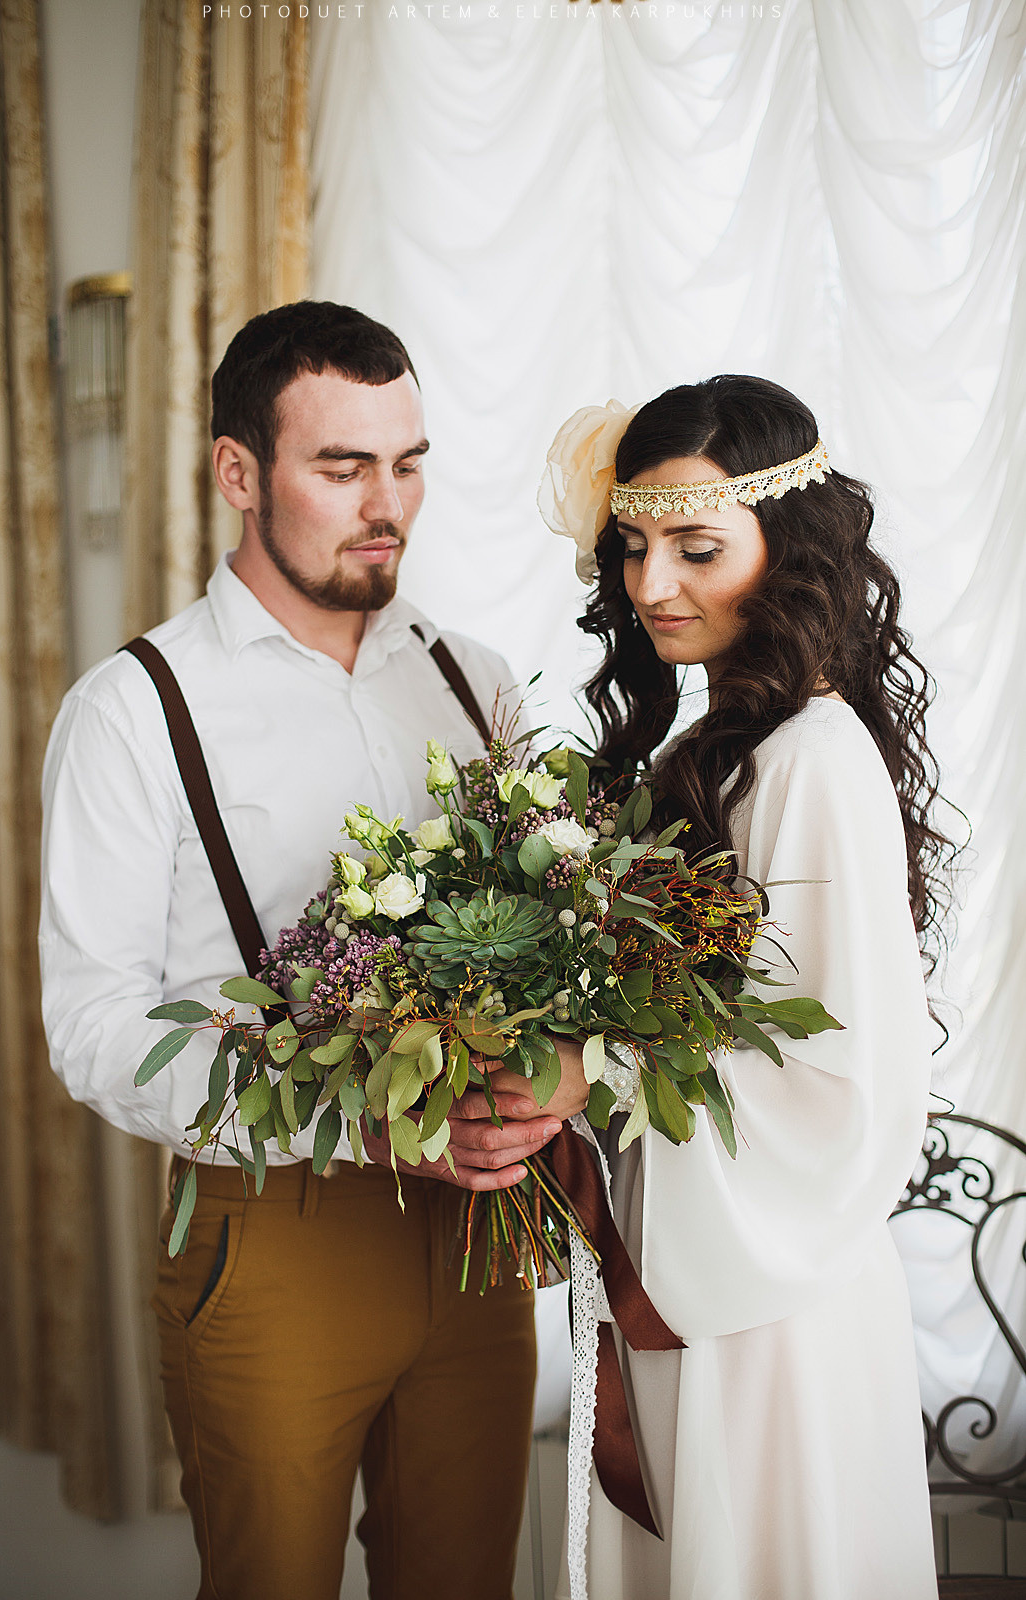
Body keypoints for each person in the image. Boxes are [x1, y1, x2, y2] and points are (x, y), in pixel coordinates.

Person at [38, 300, 560, 1600]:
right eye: (341, 466)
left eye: (407, 462)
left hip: (473, 1239)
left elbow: (550, 947)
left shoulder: (473, 678)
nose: (386, 503)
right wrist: (350, 1125)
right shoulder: (130, 712)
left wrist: (548, 1076)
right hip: (266, 1239)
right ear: (237, 473)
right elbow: (92, 1026)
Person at [461, 374, 944, 1599]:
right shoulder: (717, 749)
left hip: (762, 1307)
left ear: (788, 548)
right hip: (693, 1271)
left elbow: (839, 1075)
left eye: (694, 546)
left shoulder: (810, 761)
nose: (650, 584)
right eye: (631, 546)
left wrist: (591, 1065)